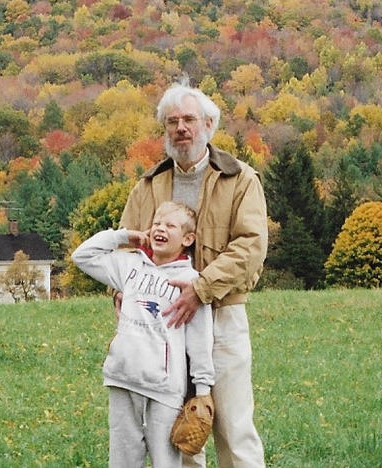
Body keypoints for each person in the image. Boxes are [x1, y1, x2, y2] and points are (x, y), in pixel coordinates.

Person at [119, 81, 268, 468]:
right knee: (182, 433)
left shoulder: (240, 179)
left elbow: (250, 246)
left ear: (208, 124)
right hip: (161, 325)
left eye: (189, 119)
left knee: (233, 428)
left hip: (220, 315)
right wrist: (120, 291)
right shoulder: (148, 185)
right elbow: (126, 245)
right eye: (172, 122)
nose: (181, 128)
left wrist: (200, 289)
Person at [71, 201, 215, 468]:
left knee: (166, 462)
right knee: (123, 460)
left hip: (164, 389)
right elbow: (82, 256)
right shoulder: (129, 265)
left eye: (170, 225)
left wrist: (203, 389)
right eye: (157, 223)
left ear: (187, 238)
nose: (160, 228)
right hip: (123, 378)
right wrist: (124, 236)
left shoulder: (191, 282)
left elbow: (200, 340)